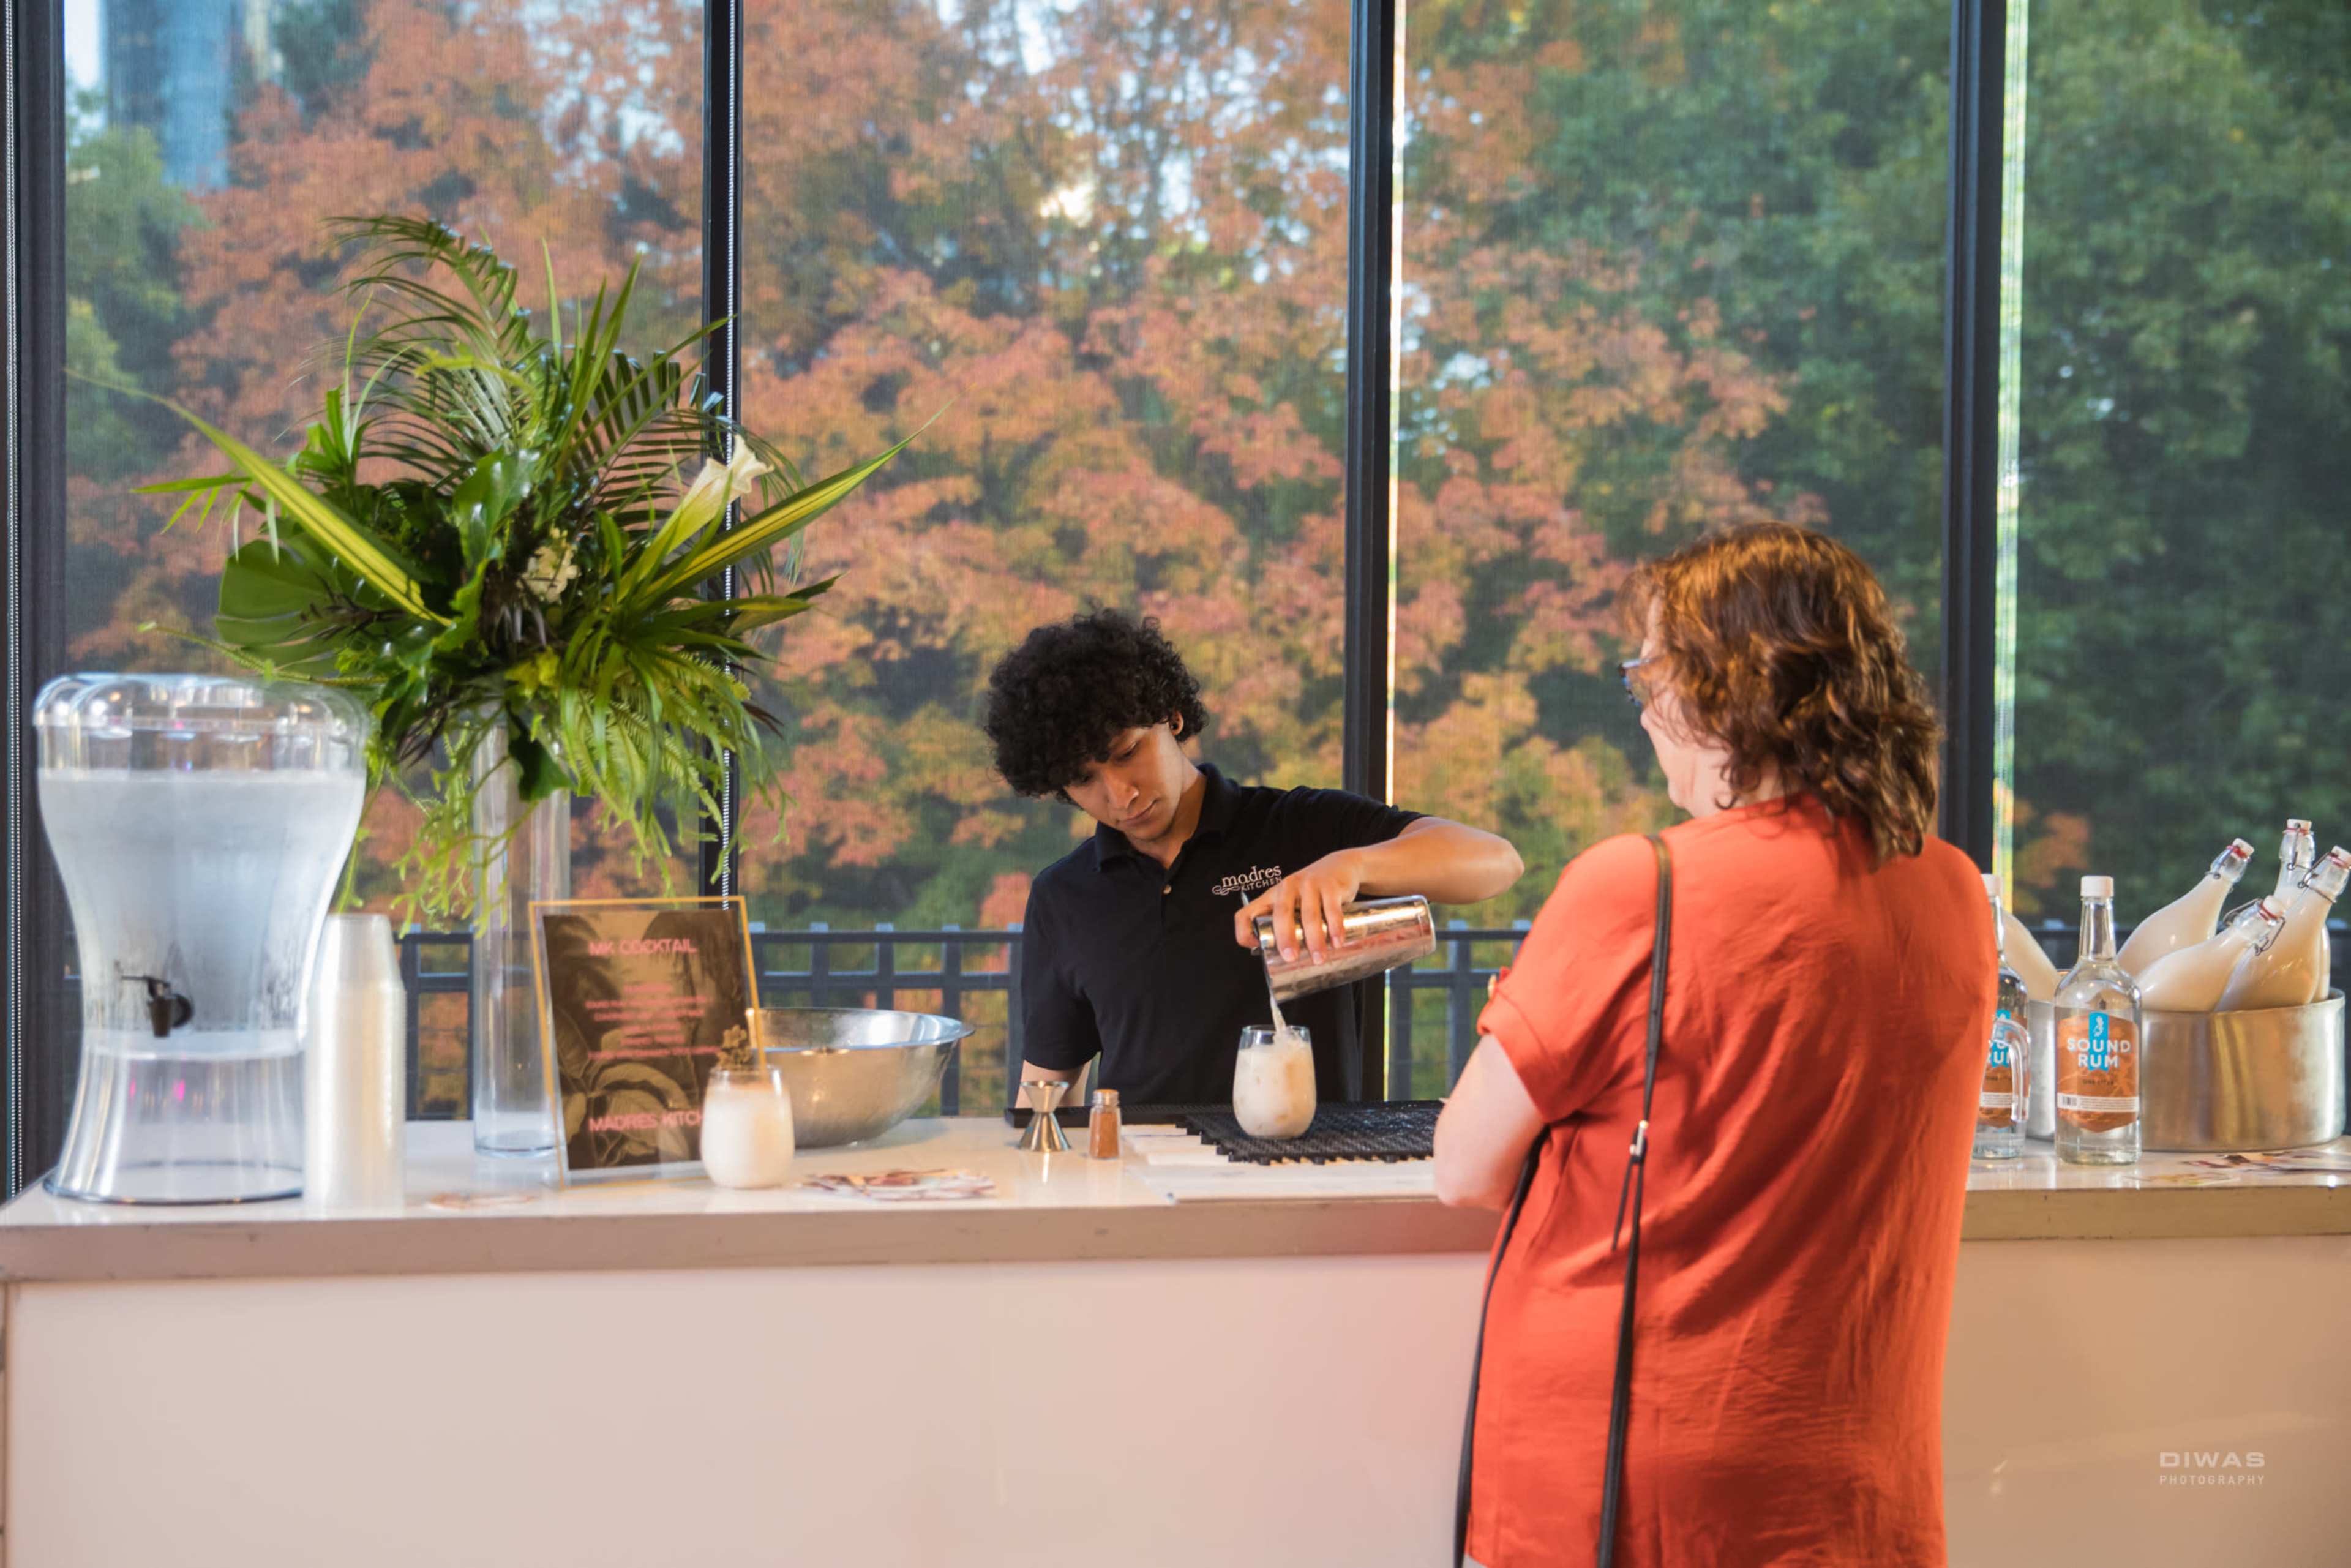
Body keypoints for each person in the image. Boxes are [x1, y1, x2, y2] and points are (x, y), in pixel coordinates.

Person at [1434, 522, 1992, 1567]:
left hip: (1631, 1478)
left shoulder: (1639, 885)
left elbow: (1464, 1165)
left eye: (1650, 675)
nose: (1645, 710)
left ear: (1716, 688)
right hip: (1856, 1477)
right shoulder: (1956, 892)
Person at [984, 609, 1524, 1106]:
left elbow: (1496, 861)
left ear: (1170, 717)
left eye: (1128, 752)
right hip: (1145, 1186)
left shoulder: (1302, 828)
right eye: (1084, 780)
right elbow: (1047, 1086)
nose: (1120, 794)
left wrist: (1351, 867)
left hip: (1310, 1177)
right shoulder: (1064, 897)